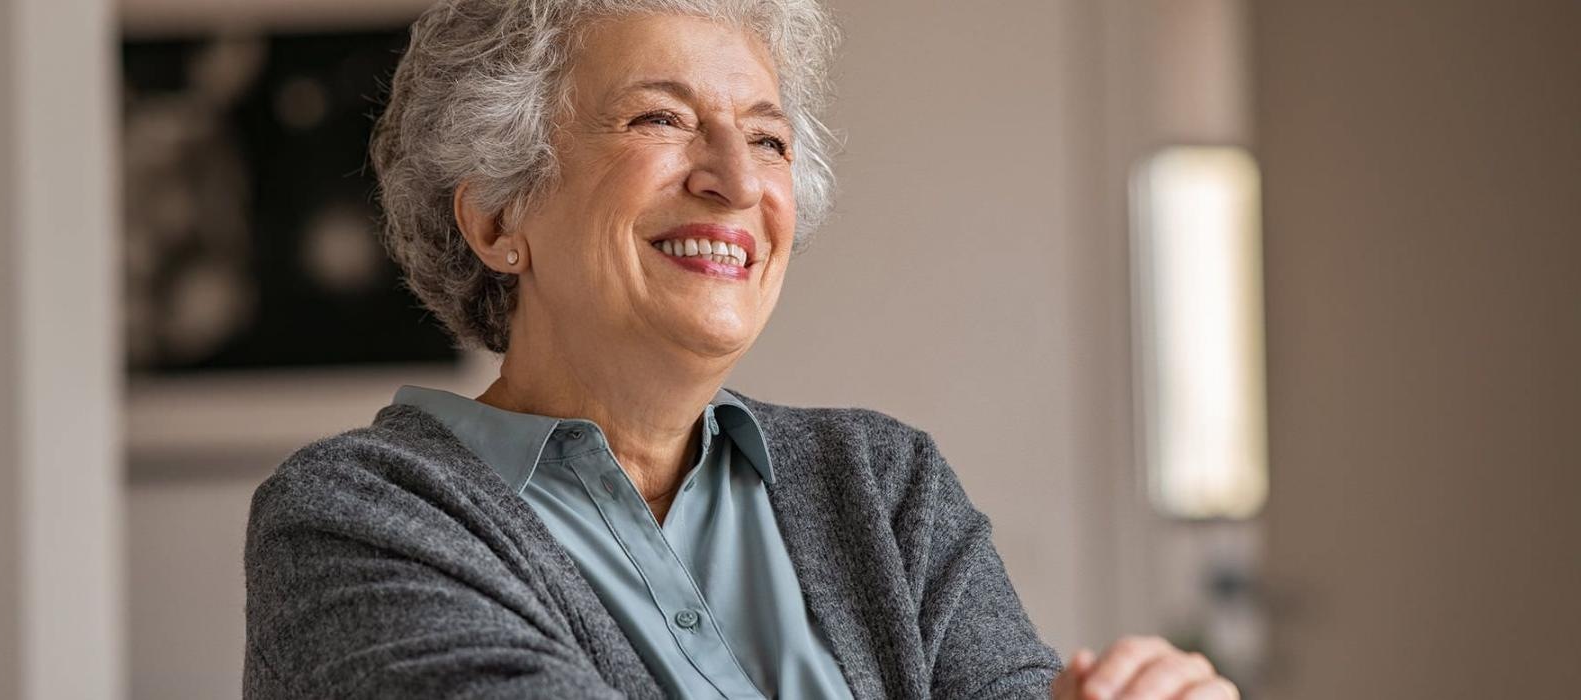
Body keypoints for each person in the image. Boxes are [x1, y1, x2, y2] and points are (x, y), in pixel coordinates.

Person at [242, 0, 1240, 698]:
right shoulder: (354, 519)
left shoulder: (887, 487)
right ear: (500, 216)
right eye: (660, 118)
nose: (734, 178)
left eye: (766, 138)